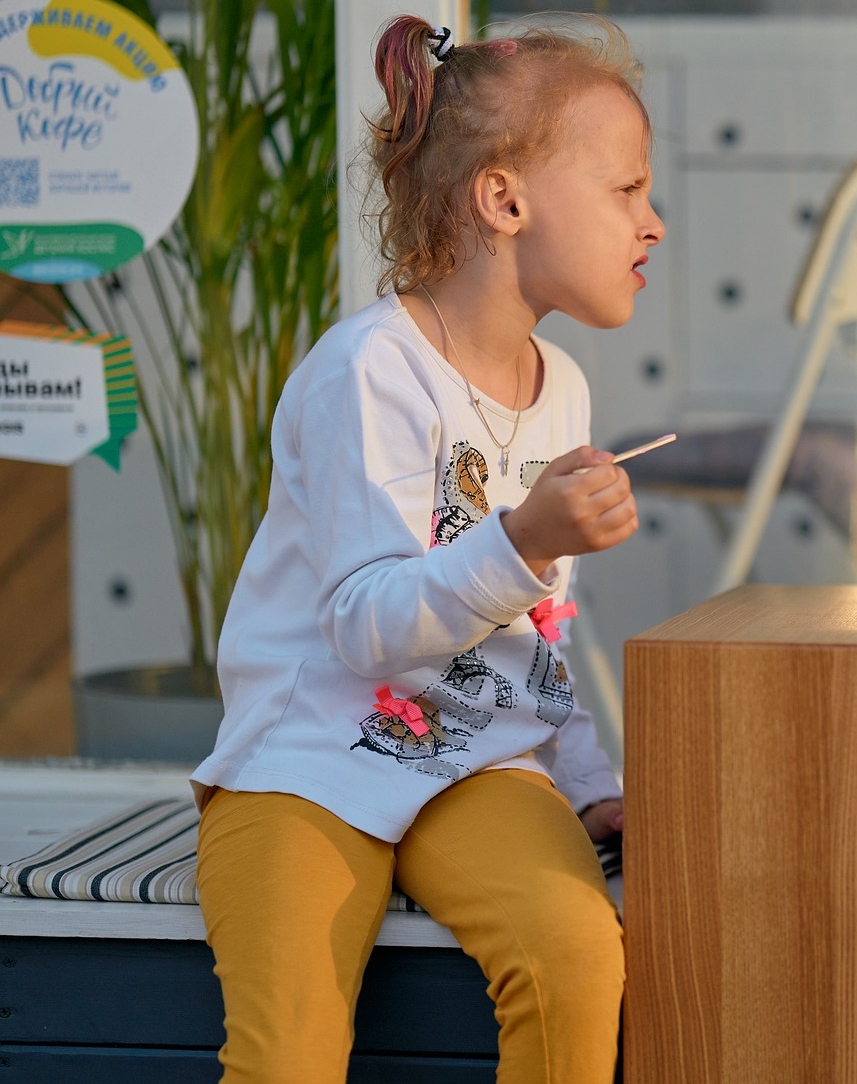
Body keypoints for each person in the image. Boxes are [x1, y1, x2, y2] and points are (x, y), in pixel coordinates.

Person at [190, 15, 661, 1081]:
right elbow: (365, 624)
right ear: (505, 200)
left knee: (578, 954)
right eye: (628, 189)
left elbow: (536, 630)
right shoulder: (367, 371)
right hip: (303, 766)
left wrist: (586, 778)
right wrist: (525, 534)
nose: (655, 220)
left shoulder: (564, 387)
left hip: (476, 762)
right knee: (289, 1048)